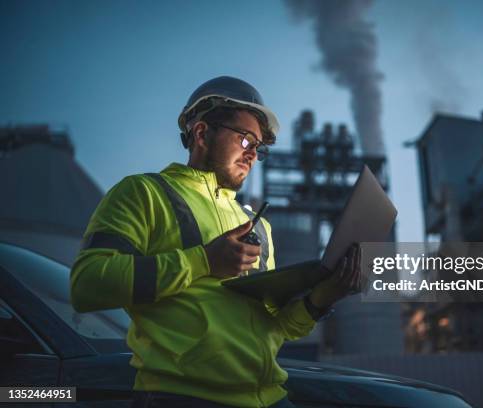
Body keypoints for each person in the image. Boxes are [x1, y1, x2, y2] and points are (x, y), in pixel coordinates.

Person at [70, 76, 361, 408]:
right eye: (245, 139)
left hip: (270, 398)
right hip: (184, 397)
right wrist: (204, 261)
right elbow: (87, 284)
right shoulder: (144, 193)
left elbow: (276, 328)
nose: (253, 154)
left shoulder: (259, 226)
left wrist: (323, 297)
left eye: (259, 148)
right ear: (202, 133)